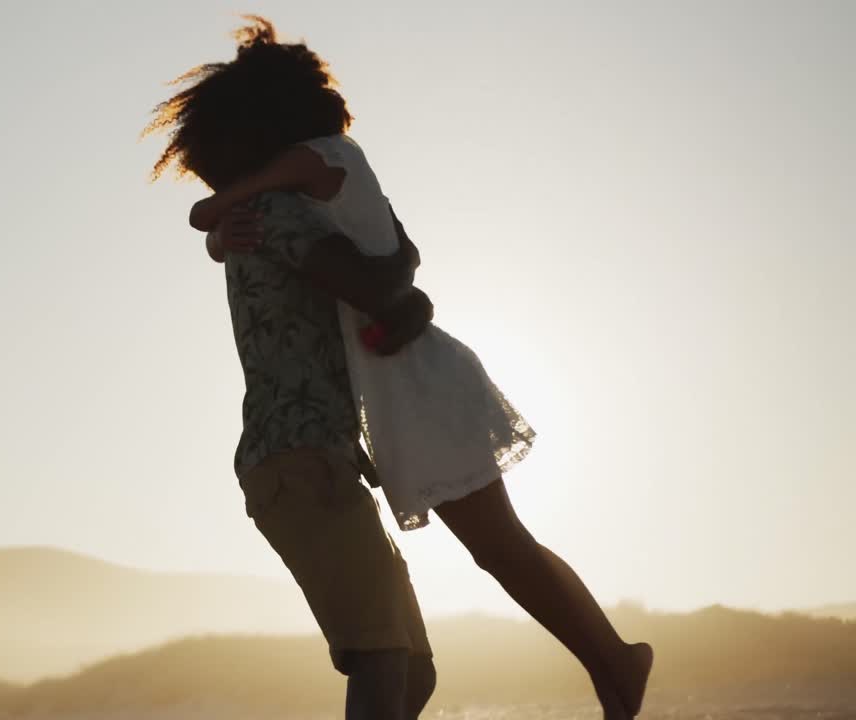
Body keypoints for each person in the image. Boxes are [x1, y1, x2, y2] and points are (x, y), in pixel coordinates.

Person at [149, 16, 654, 720]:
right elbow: (393, 260)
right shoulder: (296, 199)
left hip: (399, 393)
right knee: (477, 574)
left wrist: (216, 218)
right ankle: (613, 661)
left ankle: (614, 662)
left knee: (478, 577)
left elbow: (378, 272)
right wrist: (401, 293)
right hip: (370, 406)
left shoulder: (295, 187)